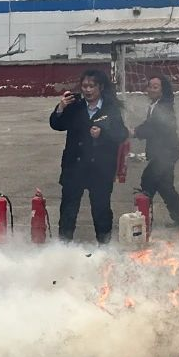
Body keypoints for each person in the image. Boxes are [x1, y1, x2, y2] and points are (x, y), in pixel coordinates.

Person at [49, 67, 128, 244]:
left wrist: (102, 134)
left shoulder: (110, 108)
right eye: (84, 86)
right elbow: (56, 125)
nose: (87, 90)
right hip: (74, 167)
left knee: (101, 208)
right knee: (68, 208)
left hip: (100, 168)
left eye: (92, 86)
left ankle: (104, 244)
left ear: (100, 87)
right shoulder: (74, 105)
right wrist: (61, 107)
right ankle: (64, 245)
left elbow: (121, 134)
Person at [134, 75, 179, 227]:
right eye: (150, 86)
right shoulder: (155, 105)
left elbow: (155, 127)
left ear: (163, 90)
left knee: (148, 180)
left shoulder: (164, 107)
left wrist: (136, 132)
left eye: (155, 87)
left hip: (166, 153)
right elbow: (149, 124)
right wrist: (136, 130)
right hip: (162, 152)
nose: (151, 89)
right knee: (164, 185)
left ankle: (143, 219)